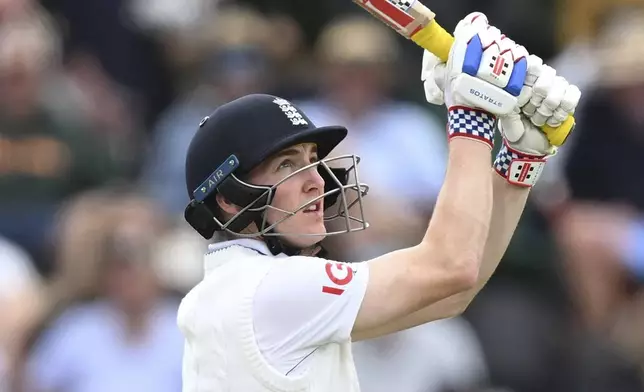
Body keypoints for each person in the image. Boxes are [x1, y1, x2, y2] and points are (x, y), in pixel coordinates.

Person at [177, 13, 580, 392]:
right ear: (229, 198)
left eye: (313, 162)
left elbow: (453, 291)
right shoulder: (267, 291)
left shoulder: (252, 289)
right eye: (286, 165)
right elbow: (451, 268)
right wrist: (470, 112)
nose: (316, 181)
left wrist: (518, 159)